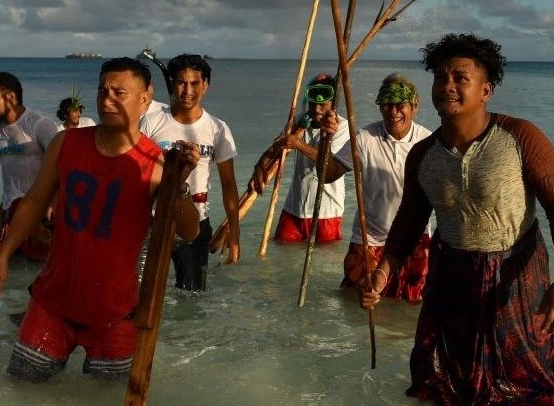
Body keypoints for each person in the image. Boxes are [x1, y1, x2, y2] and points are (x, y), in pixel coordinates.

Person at [360, 33, 554, 406]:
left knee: (526, 382)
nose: (447, 85)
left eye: (459, 77)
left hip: (516, 272)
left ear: (486, 90)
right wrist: (383, 271)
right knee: (442, 383)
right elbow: (409, 222)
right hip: (451, 273)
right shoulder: (423, 155)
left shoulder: (520, 137)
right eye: (440, 77)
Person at [0, 57, 202, 381]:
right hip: (53, 303)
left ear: (145, 99)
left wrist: (178, 183)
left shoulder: (156, 162)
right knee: (21, 389)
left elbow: (190, 230)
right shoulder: (67, 143)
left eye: (119, 92)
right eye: (102, 91)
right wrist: (1, 259)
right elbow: (34, 202)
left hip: (116, 313)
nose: (107, 99)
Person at [319, 74, 433, 303]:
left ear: (415, 106)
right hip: (369, 240)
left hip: (414, 238)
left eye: (400, 105)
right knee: (355, 302)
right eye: (387, 105)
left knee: (412, 304)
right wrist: (325, 138)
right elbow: (328, 175)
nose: (393, 112)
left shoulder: (427, 141)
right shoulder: (363, 138)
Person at [140, 54, 242, 290]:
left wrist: (234, 233)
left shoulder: (218, 129)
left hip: (196, 223)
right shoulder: (150, 123)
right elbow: (137, 175)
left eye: (195, 83)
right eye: (181, 83)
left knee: (192, 298)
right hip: (153, 222)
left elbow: (229, 185)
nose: (187, 90)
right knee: (143, 294)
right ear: (172, 84)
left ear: (205, 86)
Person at [0, 72, 61, 261]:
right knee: (6, 266)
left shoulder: (39, 124)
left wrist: (55, 200)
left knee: (41, 265)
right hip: (9, 209)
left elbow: (62, 163)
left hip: (39, 209)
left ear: (11, 97)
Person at [248, 73, 348, 245]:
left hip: (326, 212)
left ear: (333, 104)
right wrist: (260, 165)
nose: (316, 109)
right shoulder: (299, 121)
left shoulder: (342, 127)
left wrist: (299, 145)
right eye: (313, 104)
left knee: (322, 265)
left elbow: (329, 163)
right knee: (282, 253)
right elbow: (277, 147)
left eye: (322, 105)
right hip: (293, 208)